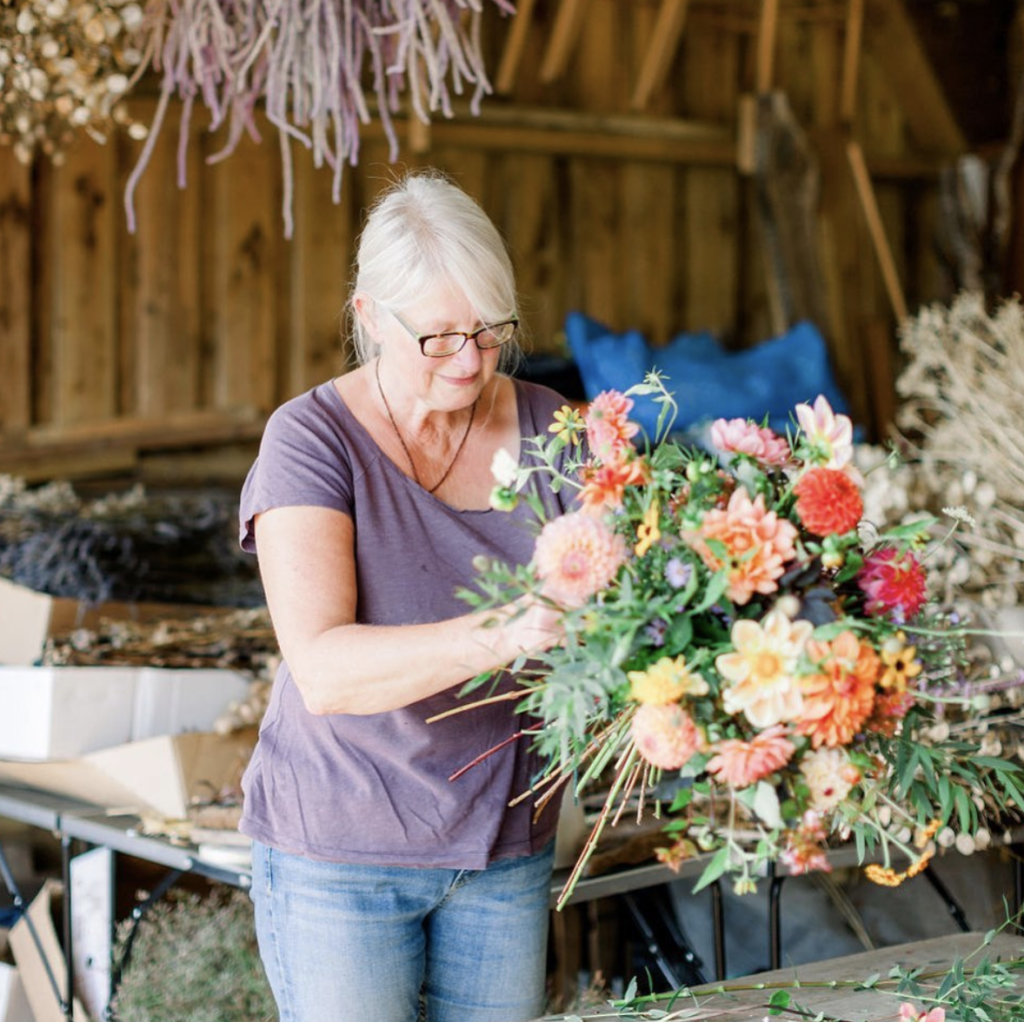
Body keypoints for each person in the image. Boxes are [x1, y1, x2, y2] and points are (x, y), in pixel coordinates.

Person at [238, 170, 575, 1022]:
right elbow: (325, 671)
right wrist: (514, 626)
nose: (470, 360)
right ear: (368, 317)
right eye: (437, 337)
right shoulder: (311, 440)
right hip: (342, 850)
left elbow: (627, 586)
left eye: (489, 331)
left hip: (504, 845)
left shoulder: (553, 428)